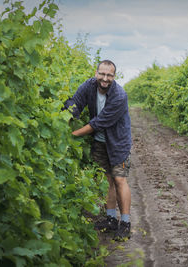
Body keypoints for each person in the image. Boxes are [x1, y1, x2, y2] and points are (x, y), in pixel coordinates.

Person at [64, 60, 132, 241]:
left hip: (118, 143)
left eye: (109, 75)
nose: (105, 78)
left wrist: (72, 134)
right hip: (100, 143)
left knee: (119, 180)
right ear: (96, 73)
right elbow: (75, 102)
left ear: (114, 77)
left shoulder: (119, 95)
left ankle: (125, 223)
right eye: (102, 74)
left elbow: (97, 123)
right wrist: (69, 113)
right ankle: (111, 219)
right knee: (108, 180)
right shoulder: (89, 85)